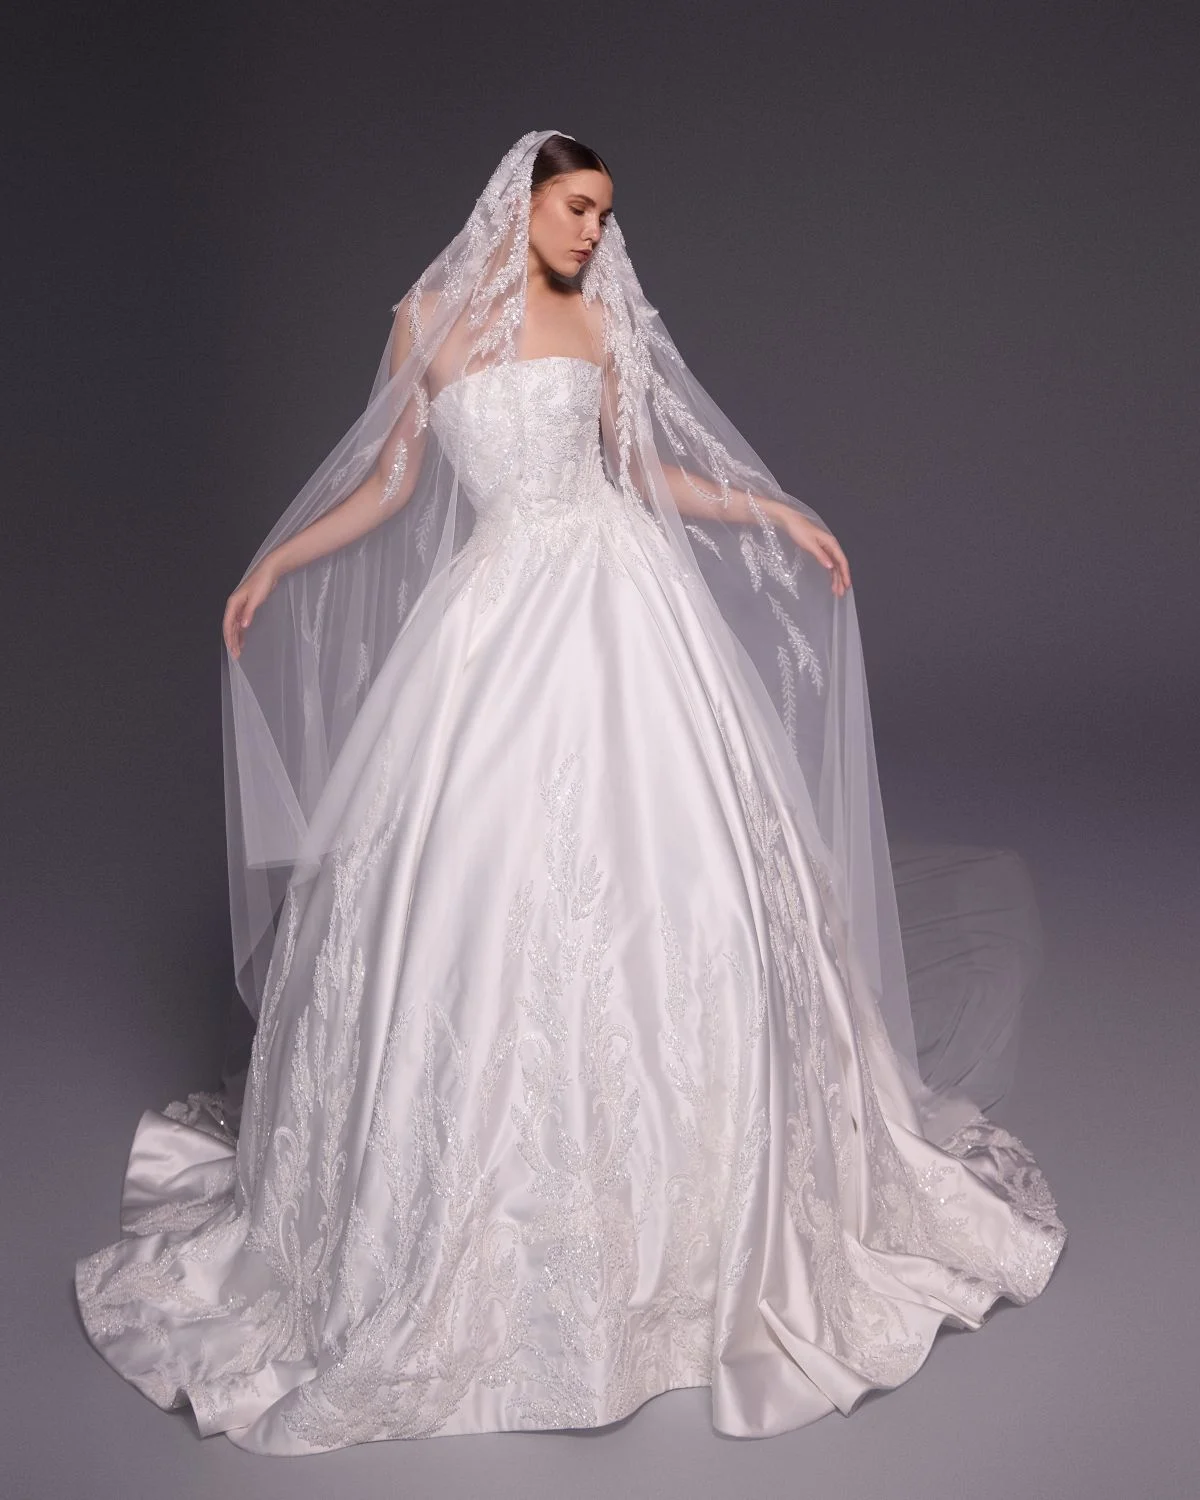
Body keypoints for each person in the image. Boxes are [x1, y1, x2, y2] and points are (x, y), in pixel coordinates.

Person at [74, 130, 1065, 1454]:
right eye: (579, 208)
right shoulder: (425, 319)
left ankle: (699, 1228)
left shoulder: (601, 323)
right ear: (523, 201)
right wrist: (274, 564)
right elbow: (390, 480)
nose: (595, 233)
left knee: (681, 876)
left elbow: (645, 475)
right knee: (466, 892)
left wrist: (772, 512)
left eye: (604, 214)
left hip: (620, 607)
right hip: (493, 621)